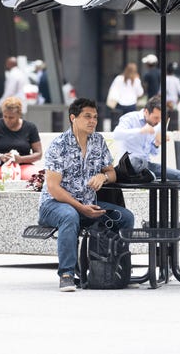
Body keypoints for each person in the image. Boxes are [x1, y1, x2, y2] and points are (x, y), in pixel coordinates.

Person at [38, 98, 134, 291]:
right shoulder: (59, 145)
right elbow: (53, 188)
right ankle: (66, 274)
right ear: (73, 118)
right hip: (54, 205)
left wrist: (103, 177)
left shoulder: (98, 141)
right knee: (69, 215)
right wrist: (81, 208)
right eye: (87, 116)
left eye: (95, 117)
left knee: (125, 218)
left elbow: (112, 172)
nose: (93, 121)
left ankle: (113, 269)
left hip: (89, 205)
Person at [113, 95, 180, 181]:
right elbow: (117, 134)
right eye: (156, 117)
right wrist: (141, 131)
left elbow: (153, 152)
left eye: (160, 118)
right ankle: (150, 176)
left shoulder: (157, 124)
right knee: (139, 162)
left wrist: (157, 143)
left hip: (147, 166)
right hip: (129, 165)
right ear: (146, 112)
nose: (158, 121)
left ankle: (150, 177)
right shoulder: (130, 118)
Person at [0, 96, 43, 180]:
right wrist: (0, 156)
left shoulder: (30, 127)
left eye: (11, 117)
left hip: (24, 166)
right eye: (5, 116)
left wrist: (21, 159)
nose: (7, 120)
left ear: (19, 115)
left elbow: (38, 154)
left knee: (41, 178)